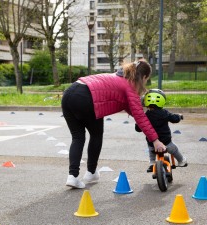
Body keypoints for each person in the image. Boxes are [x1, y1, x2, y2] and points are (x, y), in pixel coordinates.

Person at [61, 59, 166, 189]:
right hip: (87, 97)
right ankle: (91, 172)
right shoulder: (130, 86)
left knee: (77, 137)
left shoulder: (117, 77)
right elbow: (139, 116)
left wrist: (148, 122)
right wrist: (155, 140)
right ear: (144, 77)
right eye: (146, 79)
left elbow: (132, 110)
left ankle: (73, 177)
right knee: (96, 135)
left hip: (69, 93)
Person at [135, 89, 187, 173]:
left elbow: (138, 129)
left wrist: (137, 123)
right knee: (174, 150)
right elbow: (174, 119)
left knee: (151, 150)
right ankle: (181, 161)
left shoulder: (145, 116)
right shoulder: (164, 113)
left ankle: (152, 163)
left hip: (152, 143)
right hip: (166, 143)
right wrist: (179, 116)